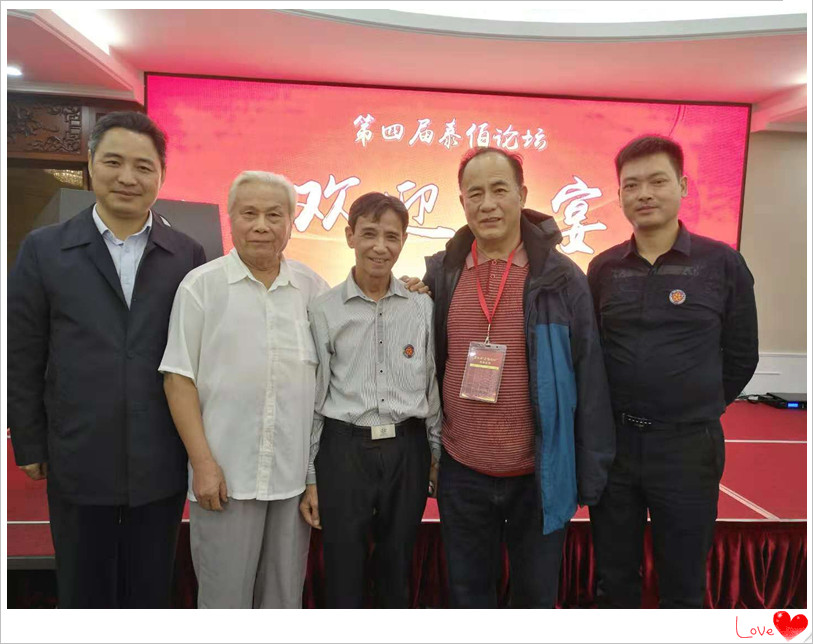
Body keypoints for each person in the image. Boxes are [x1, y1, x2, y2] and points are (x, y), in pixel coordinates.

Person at [7, 111, 207, 608]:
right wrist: (28, 440)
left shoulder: (186, 255)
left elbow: (199, 357)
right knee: (82, 590)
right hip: (78, 450)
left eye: (143, 166)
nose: (127, 177)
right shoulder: (45, 249)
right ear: (90, 164)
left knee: (149, 590)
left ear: (161, 175)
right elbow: (23, 351)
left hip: (160, 453)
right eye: (114, 162)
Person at [423, 147, 615, 608]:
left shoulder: (561, 279)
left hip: (538, 475)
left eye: (499, 190)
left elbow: (589, 376)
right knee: (469, 598)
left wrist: (590, 471)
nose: (487, 204)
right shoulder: (442, 274)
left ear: (522, 195)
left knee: (534, 599)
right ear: (462, 202)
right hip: (462, 471)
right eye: (475, 194)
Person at [587, 135, 759, 609]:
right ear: (619, 194)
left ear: (682, 186)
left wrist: (694, 404)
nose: (644, 194)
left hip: (688, 448)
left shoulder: (721, 263)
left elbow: (742, 354)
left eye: (657, 181)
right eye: (631, 185)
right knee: (613, 579)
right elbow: (592, 352)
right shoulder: (603, 268)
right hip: (616, 447)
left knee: (683, 581)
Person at [160, 171, 329, 608]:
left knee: (283, 601)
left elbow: (330, 385)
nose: (261, 226)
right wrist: (203, 464)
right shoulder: (201, 287)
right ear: (231, 218)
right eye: (249, 213)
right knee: (223, 603)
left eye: (274, 215)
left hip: (292, 482)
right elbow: (178, 379)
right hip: (224, 480)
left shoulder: (313, 290)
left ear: (291, 222)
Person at [299, 192, 442, 608]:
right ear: (350, 236)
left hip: (408, 449)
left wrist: (435, 453)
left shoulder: (422, 306)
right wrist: (311, 475)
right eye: (369, 234)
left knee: (398, 566)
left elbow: (431, 385)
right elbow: (317, 395)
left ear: (403, 241)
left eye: (391, 237)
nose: (380, 247)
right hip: (344, 450)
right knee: (344, 568)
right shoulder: (324, 309)